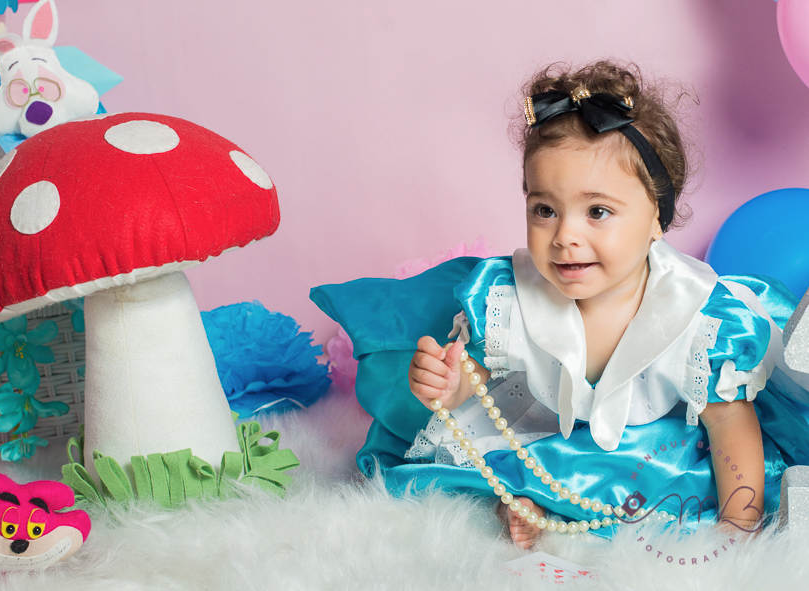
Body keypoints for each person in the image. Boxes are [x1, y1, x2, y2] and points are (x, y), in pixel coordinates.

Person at [310, 60, 809, 550]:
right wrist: (457, 383)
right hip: (548, 437)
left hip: (655, 451)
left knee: (685, 485)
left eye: (598, 211)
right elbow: (501, 391)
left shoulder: (696, 314)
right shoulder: (510, 294)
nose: (565, 235)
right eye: (545, 210)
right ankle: (529, 504)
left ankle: (558, 504)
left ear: (657, 217)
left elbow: (728, 423)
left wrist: (738, 525)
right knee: (499, 460)